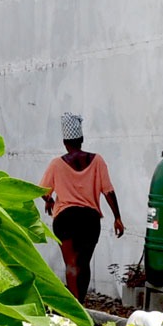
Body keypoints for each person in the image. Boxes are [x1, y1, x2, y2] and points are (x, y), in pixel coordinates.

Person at [39, 113, 125, 302]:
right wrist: (117, 218)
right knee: (84, 264)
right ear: (82, 139)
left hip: (65, 219)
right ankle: (81, 304)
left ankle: (74, 307)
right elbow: (108, 191)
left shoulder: (56, 164)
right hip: (89, 219)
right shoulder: (98, 161)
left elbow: (44, 191)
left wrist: (49, 201)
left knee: (71, 264)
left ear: (64, 142)